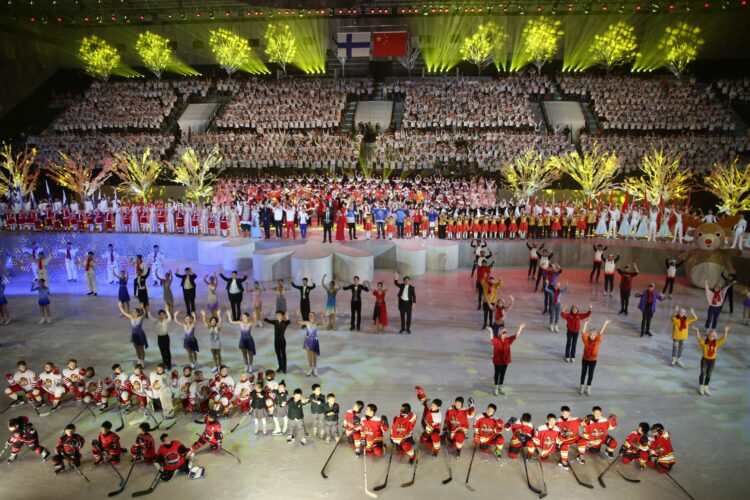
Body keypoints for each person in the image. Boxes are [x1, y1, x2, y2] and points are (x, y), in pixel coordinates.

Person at [487, 323, 525, 396]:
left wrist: (520, 328)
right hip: (497, 362)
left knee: (502, 374)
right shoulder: (496, 341)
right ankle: (496, 387)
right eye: (503, 333)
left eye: (505, 333)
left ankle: (500, 387)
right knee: (497, 374)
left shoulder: (508, 340)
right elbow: (491, 338)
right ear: (500, 334)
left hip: (505, 361)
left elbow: (516, 335)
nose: (505, 335)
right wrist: (491, 331)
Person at [695, 325, 729, 396]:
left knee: (709, 375)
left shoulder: (716, 343)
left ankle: (706, 387)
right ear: (707, 336)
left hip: (712, 361)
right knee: (703, 373)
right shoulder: (704, 342)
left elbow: (724, 338)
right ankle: (701, 387)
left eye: (713, 336)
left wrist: (725, 331)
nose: (711, 337)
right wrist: (697, 331)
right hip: (704, 360)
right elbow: (699, 339)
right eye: (710, 336)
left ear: (715, 337)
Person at [580, 319, 610, 395]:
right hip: (585, 359)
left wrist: (605, 324)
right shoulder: (586, 340)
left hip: (593, 360)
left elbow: (601, 332)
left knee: (591, 373)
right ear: (589, 335)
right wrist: (586, 323)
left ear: (595, 336)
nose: (592, 336)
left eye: (594, 335)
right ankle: (582, 386)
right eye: (591, 335)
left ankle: (588, 387)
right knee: (583, 372)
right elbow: (583, 332)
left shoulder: (597, 341)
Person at [415, 386, 442, 458]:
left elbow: (430, 429)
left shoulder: (437, 417)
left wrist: (425, 435)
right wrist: (421, 393)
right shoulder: (430, 404)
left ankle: (436, 449)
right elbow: (424, 399)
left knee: (433, 439)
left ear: (438, 407)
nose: (432, 406)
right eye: (432, 404)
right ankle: (426, 436)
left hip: (433, 429)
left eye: (434, 406)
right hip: (425, 425)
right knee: (424, 439)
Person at [299, 311, 322, 376]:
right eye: (309, 315)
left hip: (315, 341)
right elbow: (298, 322)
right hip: (308, 341)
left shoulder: (316, 323)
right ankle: (310, 368)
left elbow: (322, 323)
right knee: (309, 356)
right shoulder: (306, 322)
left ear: (314, 316)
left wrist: (321, 317)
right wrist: (298, 316)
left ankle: (315, 368)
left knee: (314, 356)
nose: (310, 316)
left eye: (312, 315)